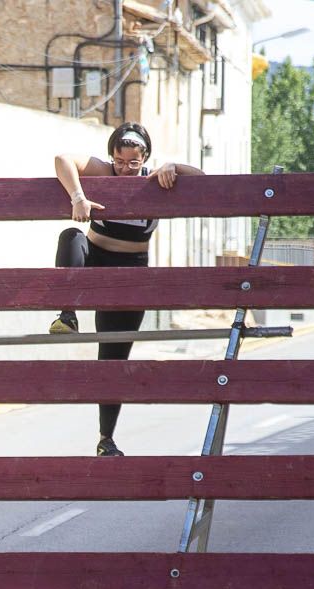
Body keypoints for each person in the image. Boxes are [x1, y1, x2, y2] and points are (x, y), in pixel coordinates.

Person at [49, 122, 203, 457]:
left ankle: (106, 439)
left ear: (145, 157)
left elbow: (204, 182)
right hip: (93, 257)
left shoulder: (158, 178)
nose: (125, 169)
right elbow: (63, 159)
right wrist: (79, 197)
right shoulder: (104, 171)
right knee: (71, 237)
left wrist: (175, 168)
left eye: (133, 162)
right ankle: (67, 314)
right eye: (119, 161)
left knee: (113, 358)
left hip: (130, 273)